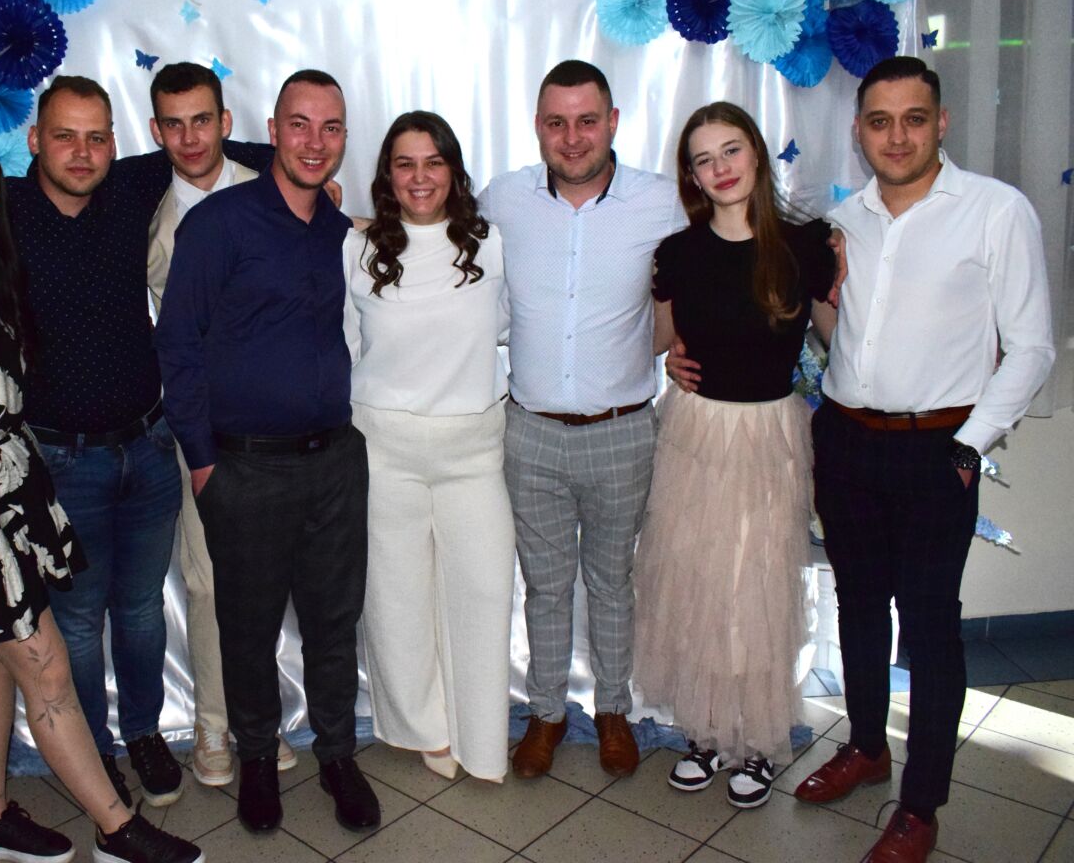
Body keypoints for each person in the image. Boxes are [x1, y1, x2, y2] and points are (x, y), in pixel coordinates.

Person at [0, 77, 273, 811]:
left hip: (149, 444)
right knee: (78, 621)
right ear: (34, 140)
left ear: (117, 143)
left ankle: (144, 733)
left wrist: (307, 173)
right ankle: (95, 754)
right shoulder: (0, 208)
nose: (82, 152)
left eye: (97, 137)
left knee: (141, 611)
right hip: (59, 460)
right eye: (65, 136)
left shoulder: (131, 186)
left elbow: (227, 148)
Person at [791, 57, 1053, 862]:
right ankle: (867, 747)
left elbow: (1032, 349)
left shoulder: (995, 211)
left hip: (939, 448)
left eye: (913, 119)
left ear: (942, 122)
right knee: (859, 608)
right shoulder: (847, 222)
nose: (896, 136)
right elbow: (845, 334)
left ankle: (921, 804)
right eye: (880, 121)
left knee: (933, 629)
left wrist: (969, 444)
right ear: (859, 131)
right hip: (845, 439)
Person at [155, 69, 381, 835]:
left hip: (334, 464)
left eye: (331, 127)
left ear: (343, 137)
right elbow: (178, 345)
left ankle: (338, 756)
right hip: (243, 468)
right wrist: (203, 464)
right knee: (248, 630)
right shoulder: (219, 225)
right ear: (272, 130)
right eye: (300, 124)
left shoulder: (336, 231)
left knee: (333, 623)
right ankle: (256, 758)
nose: (315, 142)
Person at [478, 59, 685, 781]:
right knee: (544, 585)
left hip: (623, 431)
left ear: (614, 123)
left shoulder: (661, 203)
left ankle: (614, 710)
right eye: (557, 123)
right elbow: (430, 240)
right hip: (530, 432)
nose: (572, 138)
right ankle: (545, 713)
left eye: (587, 121)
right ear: (538, 127)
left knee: (612, 582)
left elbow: (718, 263)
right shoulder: (502, 199)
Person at [638, 102, 837, 810]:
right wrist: (668, 360)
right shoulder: (678, 253)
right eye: (703, 159)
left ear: (755, 152)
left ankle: (755, 740)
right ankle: (704, 731)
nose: (719, 168)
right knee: (697, 583)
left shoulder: (806, 246)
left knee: (757, 587)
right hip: (694, 433)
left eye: (730, 150)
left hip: (770, 436)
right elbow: (658, 340)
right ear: (691, 176)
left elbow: (843, 340)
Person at [342, 111, 515, 783]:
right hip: (384, 449)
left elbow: (510, 325)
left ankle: (482, 736)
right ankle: (423, 728)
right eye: (405, 163)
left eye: (433, 162)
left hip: (473, 450)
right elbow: (347, 346)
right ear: (387, 174)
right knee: (397, 600)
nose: (420, 177)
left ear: (453, 170)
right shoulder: (356, 250)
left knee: (484, 592)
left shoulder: (492, 243)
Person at [142, 61, 298, 785]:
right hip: (200, 430)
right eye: (174, 125)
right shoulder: (146, 215)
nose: (190, 137)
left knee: (267, 579)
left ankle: (258, 721)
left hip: (280, 425)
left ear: (226, 123)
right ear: (156, 131)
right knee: (207, 582)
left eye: (202, 120)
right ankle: (212, 727)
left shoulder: (279, 192)